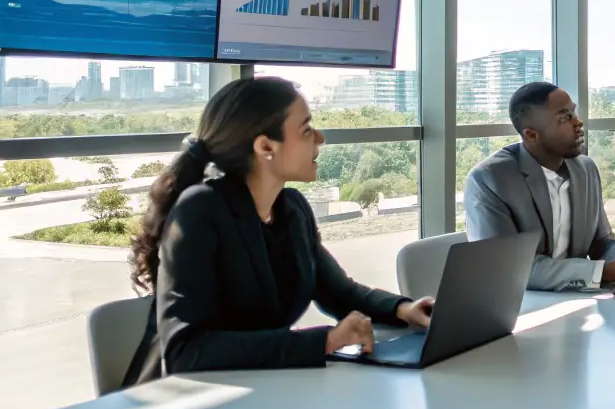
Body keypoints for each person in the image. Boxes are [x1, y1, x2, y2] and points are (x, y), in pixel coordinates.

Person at [122, 77, 433, 386]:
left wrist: (403, 309)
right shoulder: (199, 211)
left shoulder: (292, 210)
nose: (320, 138)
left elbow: (339, 292)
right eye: (307, 130)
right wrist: (324, 342)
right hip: (179, 407)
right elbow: (185, 352)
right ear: (265, 146)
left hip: (257, 393)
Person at [463, 82, 615, 291]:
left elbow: (602, 241)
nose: (578, 122)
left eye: (574, 113)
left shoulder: (585, 169)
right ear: (531, 135)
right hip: (518, 304)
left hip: (576, 300)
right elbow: (510, 269)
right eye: (565, 118)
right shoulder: (489, 179)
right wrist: (606, 271)